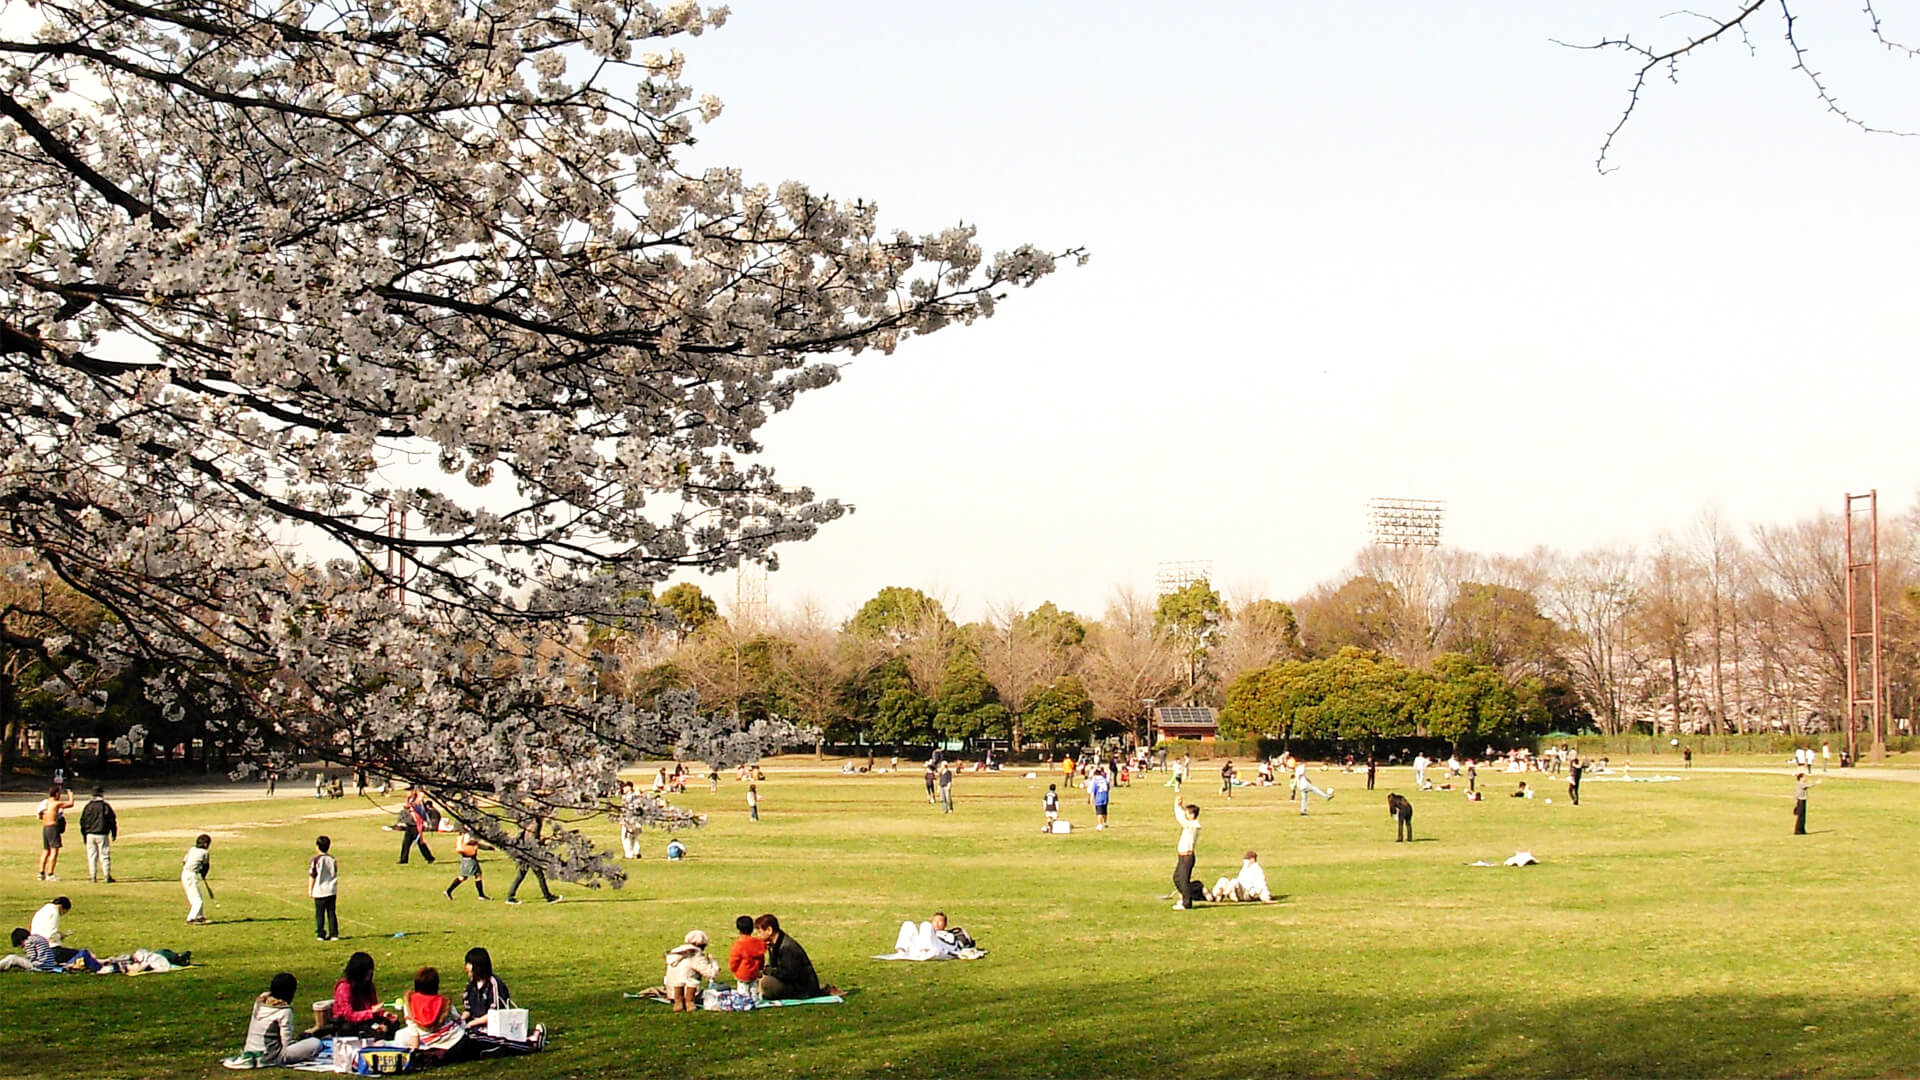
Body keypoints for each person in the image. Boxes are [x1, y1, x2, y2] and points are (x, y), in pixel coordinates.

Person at [230, 972, 323, 1068]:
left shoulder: (258, 1004)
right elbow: (286, 1041)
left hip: (251, 1051)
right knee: (316, 1043)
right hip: (273, 1056)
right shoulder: (284, 1011)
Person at [753, 914, 832, 1000]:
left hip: (802, 988)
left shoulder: (787, 947)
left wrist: (767, 971)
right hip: (791, 983)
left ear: (769, 930)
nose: (758, 935)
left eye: (759, 932)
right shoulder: (774, 944)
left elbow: (788, 974)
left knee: (766, 983)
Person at [327, 952, 400, 1039]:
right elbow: (349, 1016)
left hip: (367, 1019)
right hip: (349, 1023)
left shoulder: (369, 986)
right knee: (348, 1028)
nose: (369, 976)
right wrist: (371, 1013)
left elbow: (373, 1006)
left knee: (393, 1023)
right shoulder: (345, 987)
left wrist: (383, 1014)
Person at [396, 966, 467, 1052]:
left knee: (400, 1035)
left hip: (430, 1041)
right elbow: (457, 1018)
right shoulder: (444, 1002)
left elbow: (413, 1031)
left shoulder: (410, 1003)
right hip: (456, 1038)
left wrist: (414, 1050)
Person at [504, 814, 561, 904]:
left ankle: (510, 896)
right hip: (530, 855)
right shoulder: (536, 825)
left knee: (521, 876)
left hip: (524, 854)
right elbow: (532, 841)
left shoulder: (530, 824)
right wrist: (542, 843)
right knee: (540, 876)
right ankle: (548, 897)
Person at [664, 929, 720, 1012]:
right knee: (693, 980)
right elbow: (711, 974)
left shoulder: (675, 953)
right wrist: (712, 961)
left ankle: (678, 1002)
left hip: (671, 991)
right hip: (689, 990)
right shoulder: (695, 955)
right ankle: (689, 1002)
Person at [12, 926, 101, 973]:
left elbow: (32, 957)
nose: (22, 947)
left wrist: (26, 959)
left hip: (40, 966)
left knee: (12, 958)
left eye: (21, 945)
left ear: (21, 940)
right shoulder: (37, 937)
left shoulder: (28, 942)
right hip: (49, 964)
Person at [459, 947, 512, 1025]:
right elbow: (468, 1009)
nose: (466, 967)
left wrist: (472, 1023)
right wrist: (460, 1021)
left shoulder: (494, 984)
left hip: (492, 1026)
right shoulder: (471, 985)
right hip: (474, 1025)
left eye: (469, 964)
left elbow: (494, 1013)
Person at [79, 786, 117, 884]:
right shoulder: (105, 806)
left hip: (90, 834)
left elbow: (82, 821)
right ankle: (106, 875)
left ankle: (93, 876)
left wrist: (84, 834)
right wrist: (114, 832)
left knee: (92, 856)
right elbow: (112, 820)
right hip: (102, 833)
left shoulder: (88, 807)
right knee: (104, 855)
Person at [36, 784, 74, 881]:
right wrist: (70, 794)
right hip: (53, 827)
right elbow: (71, 804)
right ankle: (50, 873)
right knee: (54, 851)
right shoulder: (56, 803)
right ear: (56, 794)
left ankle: (41, 873)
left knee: (46, 850)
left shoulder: (46, 803)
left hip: (45, 827)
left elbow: (40, 815)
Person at [1171, 791, 1202, 910]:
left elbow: (1182, 820)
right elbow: (1183, 816)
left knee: (1183, 880)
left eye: (1188, 813)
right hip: (1182, 856)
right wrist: (1180, 806)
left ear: (1193, 815)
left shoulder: (1194, 826)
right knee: (1177, 878)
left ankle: (1186, 903)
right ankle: (1195, 891)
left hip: (1187, 857)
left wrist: (1176, 806)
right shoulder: (1191, 823)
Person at [1208, 850, 1274, 903]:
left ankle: (1225, 894)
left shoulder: (1257, 870)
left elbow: (1261, 884)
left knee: (1234, 881)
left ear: (1252, 859)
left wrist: (1266, 898)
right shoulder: (1245, 868)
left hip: (1247, 894)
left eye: (1247, 859)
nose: (1245, 861)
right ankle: (1215, 895)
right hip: (1239, 890)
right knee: (1223, 880)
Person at [309, 835, 340, 940]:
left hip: (320, 890)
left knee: (320, 913)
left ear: (317, 846)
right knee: (331, 912)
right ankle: (334, 933)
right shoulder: (332, 859)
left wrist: (310, 889)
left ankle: (320, 933)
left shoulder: (316, 860)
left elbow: (313, 875)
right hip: (331, 890)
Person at [446, 829, 491, 900]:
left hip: (467, 858)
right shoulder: (467, 834)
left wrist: (487, 848)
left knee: (467, 876)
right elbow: (468, 841)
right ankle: (481, 895)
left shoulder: (466, 834)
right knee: (474, 876)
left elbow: (477, 845)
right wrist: (477, 838)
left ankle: (448, 891)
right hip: (469, 858)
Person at [727, 915, 767, 989]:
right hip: (755, 973)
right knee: (754, 991)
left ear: (739, 929)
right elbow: (761, 958)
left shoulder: (739, 944)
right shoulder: (759, 943)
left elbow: (734, 960)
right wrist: (760, 968)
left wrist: (733, 969)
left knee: (743, 994)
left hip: (742, 974)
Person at [398, 788, 437, 865]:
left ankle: (430, 858)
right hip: (410, 824)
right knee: (406, 843)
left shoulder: (417, 801)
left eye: (408, 791)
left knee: (420, 843)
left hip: (416, 825)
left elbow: (418, 805)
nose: (407, 793)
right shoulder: (409, 800)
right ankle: (403, 859)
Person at [182, 833, 213, 924]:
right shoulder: (205, 852)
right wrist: (203, 874)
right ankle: (191, 918)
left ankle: (200, 916)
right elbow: (206, 866)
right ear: (206, 844)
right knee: (197, 901)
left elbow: (184, 861)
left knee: (198, 897)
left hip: (185, 874)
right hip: (191, 876)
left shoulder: (192, 849)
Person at [1794, 771, 1818, 835]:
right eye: (1804, 777)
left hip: (1802, 800)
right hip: (1801, 800)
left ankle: (1802, 830)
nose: (1805, 778)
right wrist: (1816, 783)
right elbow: (1808, 785)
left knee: (1803, 816)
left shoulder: (1800, 783)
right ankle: (1798, 830)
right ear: (1801, 778)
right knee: (1800, 816)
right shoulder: (1800, 783)